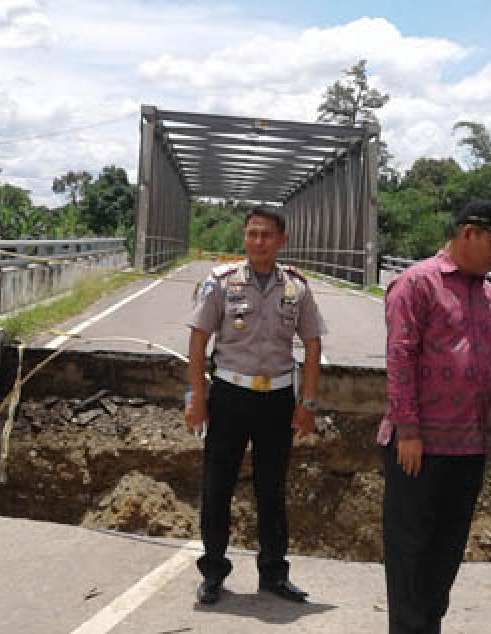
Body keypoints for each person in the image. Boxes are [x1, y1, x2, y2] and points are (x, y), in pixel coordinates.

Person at [378, 200, 491, 634]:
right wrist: (408, 431)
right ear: (468, 233)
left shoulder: (489, 293)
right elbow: (400, 359)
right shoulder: (416, 284)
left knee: (445, 555)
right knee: (410, 556)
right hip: (419, 448)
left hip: (468, 448)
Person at [184, 208, 327, 605]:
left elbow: (313, 344)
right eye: (251, 234)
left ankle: (274, 574)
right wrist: (196, 398)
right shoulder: (220, 283)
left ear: (283, 239)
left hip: (277, 400)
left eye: (266, 234)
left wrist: (308, 402)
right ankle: (213, 572)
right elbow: (198, 342)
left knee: (272, 489)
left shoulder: (297, 288)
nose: (257, 241)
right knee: (217, 487)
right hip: (230, 395)